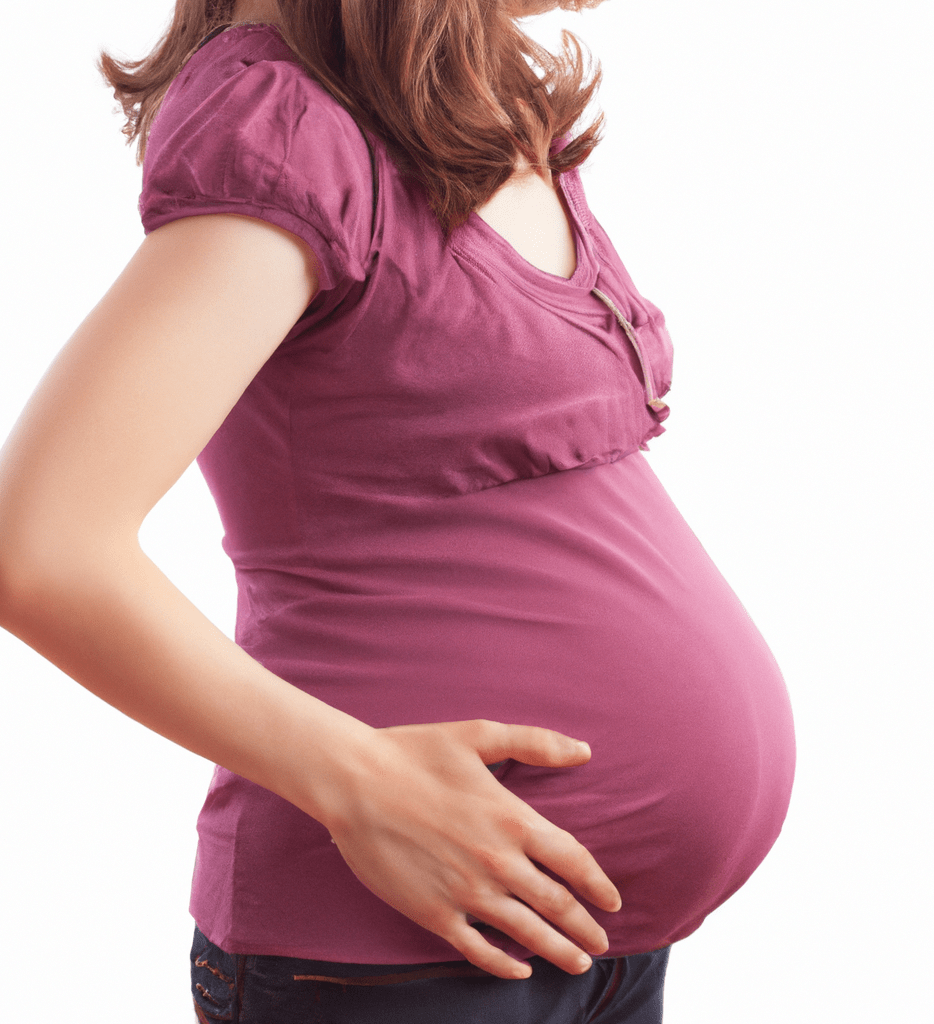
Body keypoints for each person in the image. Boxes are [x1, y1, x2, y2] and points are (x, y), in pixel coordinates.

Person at [0, 0, 797, 1020]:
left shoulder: (474, 103)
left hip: (573, 938)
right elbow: (44, 545)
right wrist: (360, 783)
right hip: (390, 958)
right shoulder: (288, 124)